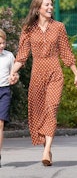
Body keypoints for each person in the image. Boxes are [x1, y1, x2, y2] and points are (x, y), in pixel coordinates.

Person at [9, 0, 77, 166]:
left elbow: (66, 52)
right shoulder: (28, 29)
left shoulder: (59, 27)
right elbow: (22, 55)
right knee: (39, 112)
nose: (50, 8)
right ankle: (47, 146)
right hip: (37, 74)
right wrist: (13, 72)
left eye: (51, 5)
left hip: (55, 72)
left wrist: (76, 74)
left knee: (52, 107)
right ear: (38, 8)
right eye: (47, 5)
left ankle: (46, 150)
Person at [0, 29, 19, 167]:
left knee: (0, 124)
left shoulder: (9, 56)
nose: (1, 46)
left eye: (3, 43)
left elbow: (15, 74)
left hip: (4, 91)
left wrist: (14, 78)